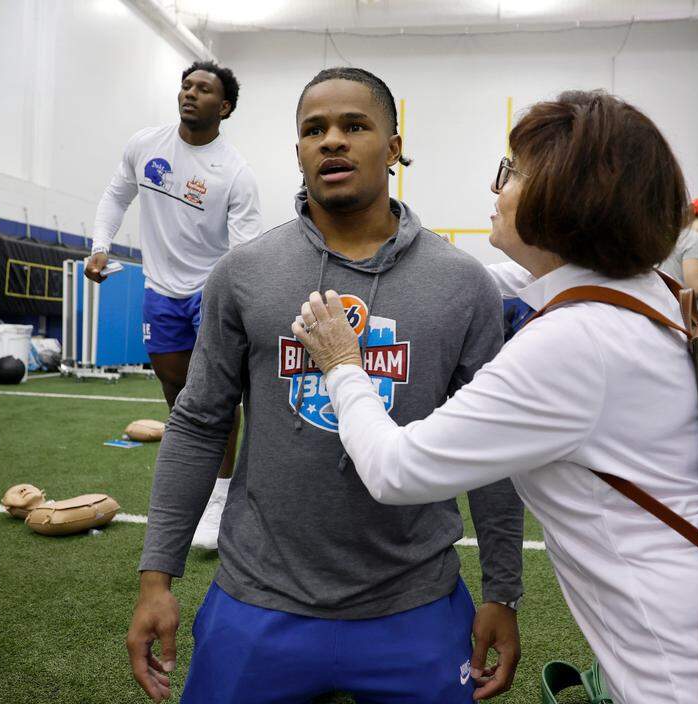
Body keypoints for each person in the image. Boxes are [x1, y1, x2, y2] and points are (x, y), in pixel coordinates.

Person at [293, 90, 698, 704]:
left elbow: (395, 470)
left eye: (511, 173)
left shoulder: (575, 342)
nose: (496, 191)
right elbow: (512, 279)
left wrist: (341, 364)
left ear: (567, 198)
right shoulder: (644, 289)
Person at [126, 67, 524, 703]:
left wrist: (503, 590)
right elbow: (199, 424)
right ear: (299, 151)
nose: (332, 141)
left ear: (393, 147)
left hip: (414, 602)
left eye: (354, 126)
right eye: (315, 130)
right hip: (258, 599)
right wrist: (157, 577)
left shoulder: (463, 283)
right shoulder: (244, 273)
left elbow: (493, 448)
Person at [86, 60, 263, 550]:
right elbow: (115, 195)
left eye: (204, 89)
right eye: (187, 85)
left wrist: (234, 304)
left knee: (216, 395)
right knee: (175, 387)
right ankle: (199, 468)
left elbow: (245, 251)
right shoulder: (145, 145)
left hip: (211, 290)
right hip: (159, 289)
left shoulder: (235, 173)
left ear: (223, 107)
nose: (190, 93)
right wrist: (101, 244)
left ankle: (220, 495)